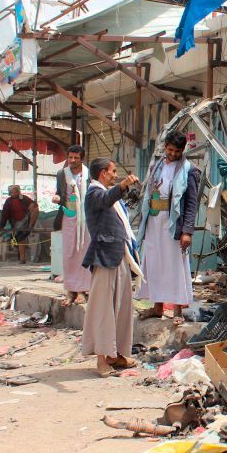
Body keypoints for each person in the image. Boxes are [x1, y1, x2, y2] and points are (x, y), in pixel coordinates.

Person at [81, 157, 142, 377]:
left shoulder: (108, 195)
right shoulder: (94, 193)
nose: (115, 175)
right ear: (103, 174)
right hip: (104, 257)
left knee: (123, 307)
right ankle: (101, 360)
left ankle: (115, 354)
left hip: (119, 256)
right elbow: (106, 198)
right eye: (113, 171)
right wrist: (123, 185)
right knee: (103, 310)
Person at [135, 131, 200, 322]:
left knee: (175, 267)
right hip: (154, 222)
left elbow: (191, 204)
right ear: (165, 147)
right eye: (170, 149)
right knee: (155, 265)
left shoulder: (190, 170)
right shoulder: (156, 166)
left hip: (174, 225)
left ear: (182, 150)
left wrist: (187, 231)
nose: (172, 154)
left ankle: (178, 311)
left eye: (176, 151)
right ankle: (157, 307)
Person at [53, 145, 92, 305]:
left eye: (76, 158)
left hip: (85, 218)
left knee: (83, 251)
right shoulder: (62, 174)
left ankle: (83, 290)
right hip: (68, 216)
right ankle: (70, 291)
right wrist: (56, 198)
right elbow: (59, 193)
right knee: (69, 253)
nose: (73, 161)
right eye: (70, 157)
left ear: (81, 158)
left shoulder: (89, 174)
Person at [0, 185, 37, 264]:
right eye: (12, 192)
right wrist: (1, 226)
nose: (14, 193)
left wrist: (31, 224)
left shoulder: (24, 199)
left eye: (16, 191)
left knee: (21, 238)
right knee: (19, 239)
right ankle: (22, 258)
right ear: (10, 193)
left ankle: (23, 258)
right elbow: (4, 214)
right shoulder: (8, 201)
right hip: (16, 223)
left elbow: (34, 207)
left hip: (27, 222)